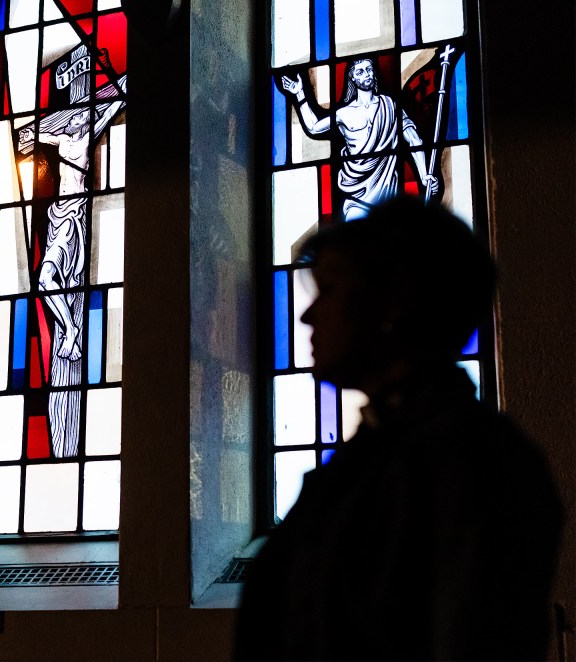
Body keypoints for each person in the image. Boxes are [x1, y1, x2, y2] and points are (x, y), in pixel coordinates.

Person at [235, 197, 563, 660]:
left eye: (329, 288)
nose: (308, 315)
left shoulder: (472, 462)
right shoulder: (377, 449)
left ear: (395, 299)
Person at [17, 52, 126, 458]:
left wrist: (114, 86)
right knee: (45, 281)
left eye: (84, 113)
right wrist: (40, 128)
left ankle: (71, 331)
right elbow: (26, 137)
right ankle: (70, 329)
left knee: (54, 281)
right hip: (57, 215)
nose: (80, 117)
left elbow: (118, 97)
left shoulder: (89, 127)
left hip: (77, 218)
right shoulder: (62, 134)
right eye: (75, 112)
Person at [282, 58, 438, 220]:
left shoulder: (390, 105)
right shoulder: (344, 113)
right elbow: (313, 127)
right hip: (357, 196)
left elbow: (413, 140)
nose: (367, 74)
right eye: (360, 72)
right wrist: (300, 93)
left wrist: (424, 175)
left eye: (369, 69)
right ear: (353, 79)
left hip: (387, 196)